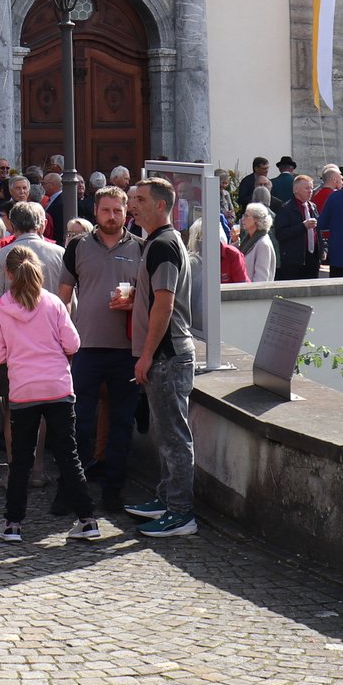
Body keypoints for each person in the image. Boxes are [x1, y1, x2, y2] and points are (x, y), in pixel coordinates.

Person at [0, 246, 93, 544]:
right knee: (68, 455)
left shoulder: (2, 307)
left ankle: (13, 524)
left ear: (8, 274)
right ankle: (87, 519)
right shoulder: (53, 302)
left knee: (21, 459)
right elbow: (72, 343)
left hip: (23, 389)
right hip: (58, 386)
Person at [60, 186, 142, 538]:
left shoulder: (141, 248)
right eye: (106, 210)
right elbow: (63, 298)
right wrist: (63, 340)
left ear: (127, 212)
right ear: (95, 211)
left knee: (122, 423)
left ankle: (113, 490)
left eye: (117, 211)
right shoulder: (78, 246)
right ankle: (71, 490)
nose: (111, 216)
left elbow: (153, 299)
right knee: (77, 422)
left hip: (126, 349)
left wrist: (135, 301)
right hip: (86, 348)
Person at [124, 177, 197, 538]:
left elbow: (165, 304)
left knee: (173, 437)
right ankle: (167, 498)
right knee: (165, 434)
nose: (132, 206)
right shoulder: (159, 242)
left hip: (167, 355)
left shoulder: (163, 245)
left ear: (161, 205)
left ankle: (181, 513)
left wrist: (147, 355)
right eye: (133, 199)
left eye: (140, 200)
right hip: (165, 354)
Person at [238, 203, 277, 284]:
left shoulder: (263, 244)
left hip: (252, 291)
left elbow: (261, 279)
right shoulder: (248, 239)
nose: (242, 219)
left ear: (256, 220)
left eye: (246, 216)